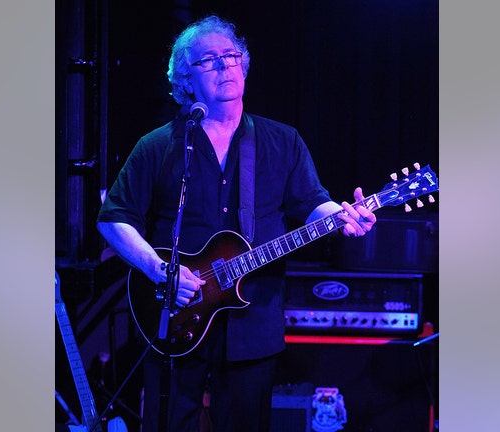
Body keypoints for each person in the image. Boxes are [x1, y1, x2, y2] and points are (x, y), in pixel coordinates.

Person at [97, 15, 375, 432]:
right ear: (185, 79)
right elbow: (113, 218)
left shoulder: (283, 141)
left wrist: (342, 217)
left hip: (253, 324)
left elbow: (313, 203)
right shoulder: (157, 147)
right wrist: (160, 270)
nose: (225, 66)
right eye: (209, 60)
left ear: (244, 66)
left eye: (231, 56)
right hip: (172, 316)